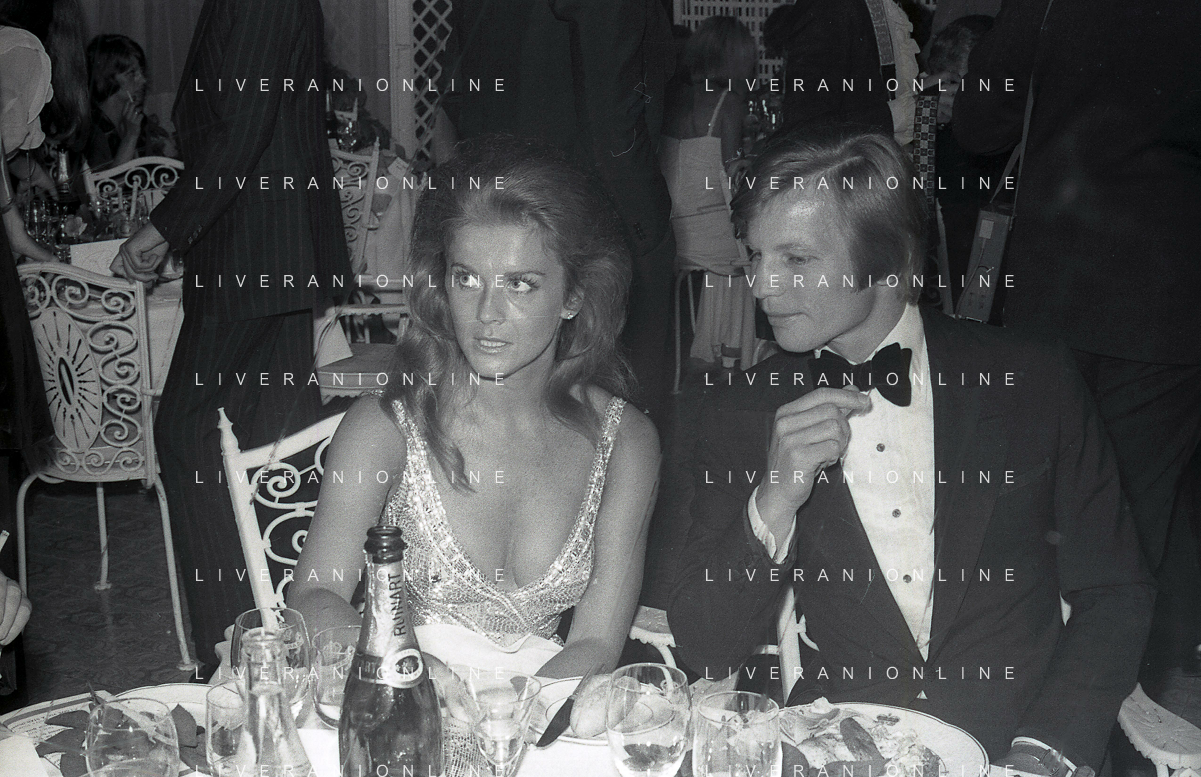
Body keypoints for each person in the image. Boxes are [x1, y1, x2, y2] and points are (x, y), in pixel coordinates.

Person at [667, 129, 1153, 773]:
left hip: (1017, 743)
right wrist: (774, 499)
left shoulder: (1032, 379)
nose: (761, 285)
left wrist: (1045, 753)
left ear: (891, 262)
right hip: (836, 748)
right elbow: (704, 644)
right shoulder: (743, 409)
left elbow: (1115, 592)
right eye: (756, 255)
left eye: (796, 259)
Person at [289, 136, 660, 679]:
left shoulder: (625, 441)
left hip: (544, 705)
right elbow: (314, 596)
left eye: (520, 284)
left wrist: (515, 715)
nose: (487, 312)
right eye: (467, 278)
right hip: (401, 697)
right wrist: (409, 669)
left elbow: (597, 641)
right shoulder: (386, 426)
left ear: (573, 297)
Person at [954, 0, 1201, 675]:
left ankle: (1027, 691)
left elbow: (979, 123)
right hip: (1169, 299)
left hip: (1053, 290)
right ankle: (1116, 697)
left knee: (1034, 509)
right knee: (1139, 517)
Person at [113, 0, 350, 675]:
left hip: (256, 249)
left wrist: (164, 226)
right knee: (271, 448)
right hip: (268, 246)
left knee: (188, 434)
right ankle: (279, 647)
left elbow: (241, 128)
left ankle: (235, 655)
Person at [442, 0, 677, 424]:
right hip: (594, 217)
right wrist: (646, 221)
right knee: (615, 414)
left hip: (491, 207)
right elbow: (612, 112)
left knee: (504, 409)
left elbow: (456, 96)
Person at [660, 15, 758, 373]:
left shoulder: (671, 98)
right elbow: (732, 177)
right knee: (751, 244)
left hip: (673, 232)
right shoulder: (726, 103)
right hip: (712, 240)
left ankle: (715, 347)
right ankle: (735, 351)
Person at [775, 0, 920, 146]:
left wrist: (922, 97)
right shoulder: (829, 6)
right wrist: (898, 116)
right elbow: (806, 129)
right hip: (856, 158)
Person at [85, 34, 178, 168]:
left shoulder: (136, 119)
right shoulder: (92, 132)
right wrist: (131, 136)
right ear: (107, 79)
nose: (143, 80)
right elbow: (108, 181)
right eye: (131, 73)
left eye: (141, 72)